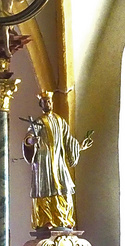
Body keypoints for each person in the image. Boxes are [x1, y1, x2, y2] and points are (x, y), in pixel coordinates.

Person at [22, 90, 89, 231]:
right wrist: (32, 140)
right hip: (43, 162)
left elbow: (68, 140)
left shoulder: (60, 121)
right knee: (45, 189)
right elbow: (28, 136)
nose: (48, 104)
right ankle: (46, 220)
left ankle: (64, 218)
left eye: (50, 101)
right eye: (45, 101)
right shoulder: (38, 122)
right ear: (41, 104)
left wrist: (80, 146)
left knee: (64, 186)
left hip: (58, 161)